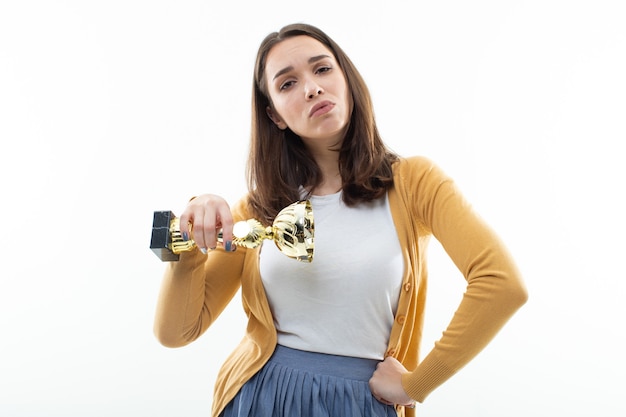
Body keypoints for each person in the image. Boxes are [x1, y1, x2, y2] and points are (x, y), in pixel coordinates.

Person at [153, 23, 528, 417]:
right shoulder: (259, 207)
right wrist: (189, 239)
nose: (312, 88)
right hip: (259, 397)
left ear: (346, 78)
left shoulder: (415, 182)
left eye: (322, 69)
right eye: (287, 85)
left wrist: (416, 384)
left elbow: (501, 284)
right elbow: (176, 333)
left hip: (360, 403)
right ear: (275, 116)